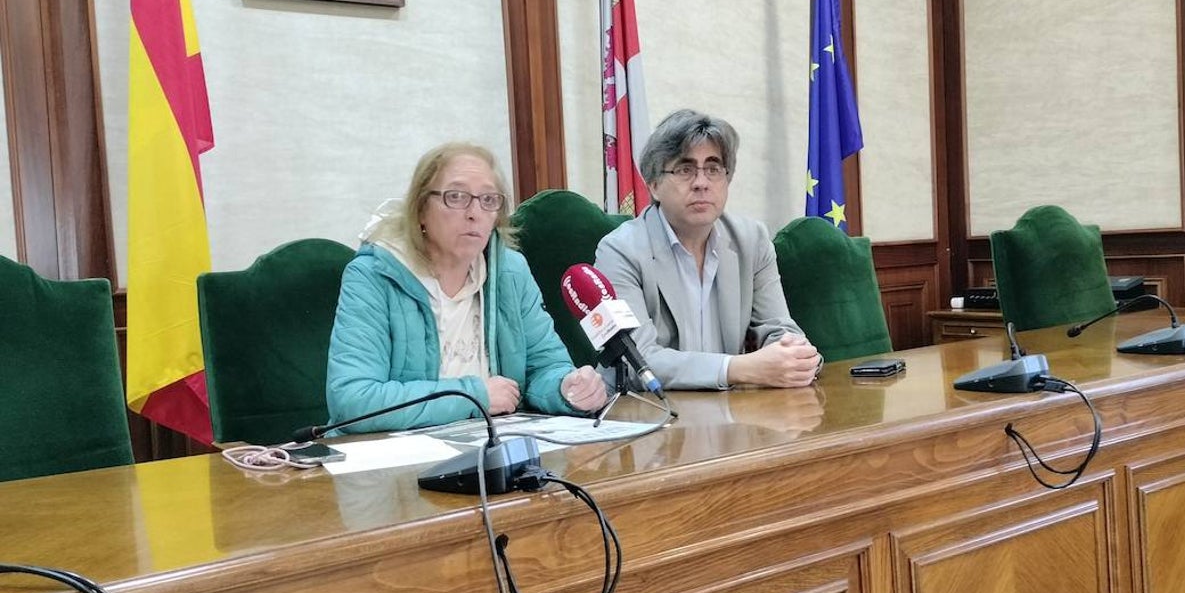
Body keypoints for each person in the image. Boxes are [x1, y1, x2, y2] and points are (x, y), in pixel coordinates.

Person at [326, 142, 608, 434]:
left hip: (492, 448)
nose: (475, 213)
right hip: (395, 456)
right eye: (456, 197)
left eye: (488, 200)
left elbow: (545, 367)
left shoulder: (510, 271)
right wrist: (474, 396)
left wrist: (567, 389)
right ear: (420, 209)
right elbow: (353, 400)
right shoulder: (373, 275)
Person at [594, 109, 822, 390]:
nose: (701, 183)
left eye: (713, 169)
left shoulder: (751, 240)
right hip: (649, 415)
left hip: (729, 414)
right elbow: (634, 361)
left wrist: (795, 357)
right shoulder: (619, 251)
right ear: (653, 185)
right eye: (685, 169)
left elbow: (779, 328)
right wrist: (738, 368)